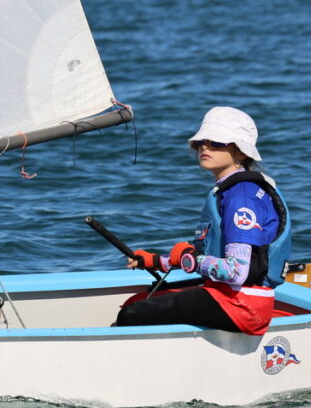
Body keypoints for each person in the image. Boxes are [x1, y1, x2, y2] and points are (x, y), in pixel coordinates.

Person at [114, 107, 291, 335]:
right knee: (136, 301)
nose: (205, 147)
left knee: (131, 314)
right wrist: (158, 261)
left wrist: (191, 260)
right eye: (202, 141)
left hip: (241, 306)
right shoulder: (231, 190)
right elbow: (206, 256)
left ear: (240, 151)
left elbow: (236, 271)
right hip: (227, 296)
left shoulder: (242, 196)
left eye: (217, 142)